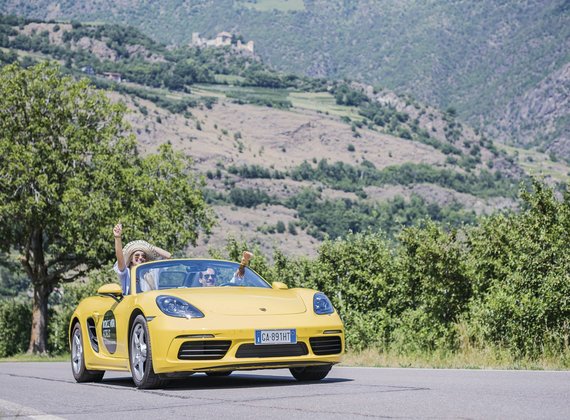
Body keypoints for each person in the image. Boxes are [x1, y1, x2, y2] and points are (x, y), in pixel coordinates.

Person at [113, 223, 171, 294]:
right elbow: (120, 258)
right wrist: (117, 237)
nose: (140, 258)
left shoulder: (152, 271)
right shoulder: (126, 273)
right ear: (131, 259)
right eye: (137, 256)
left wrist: (148, 247)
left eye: (143, 256)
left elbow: (168, 256)